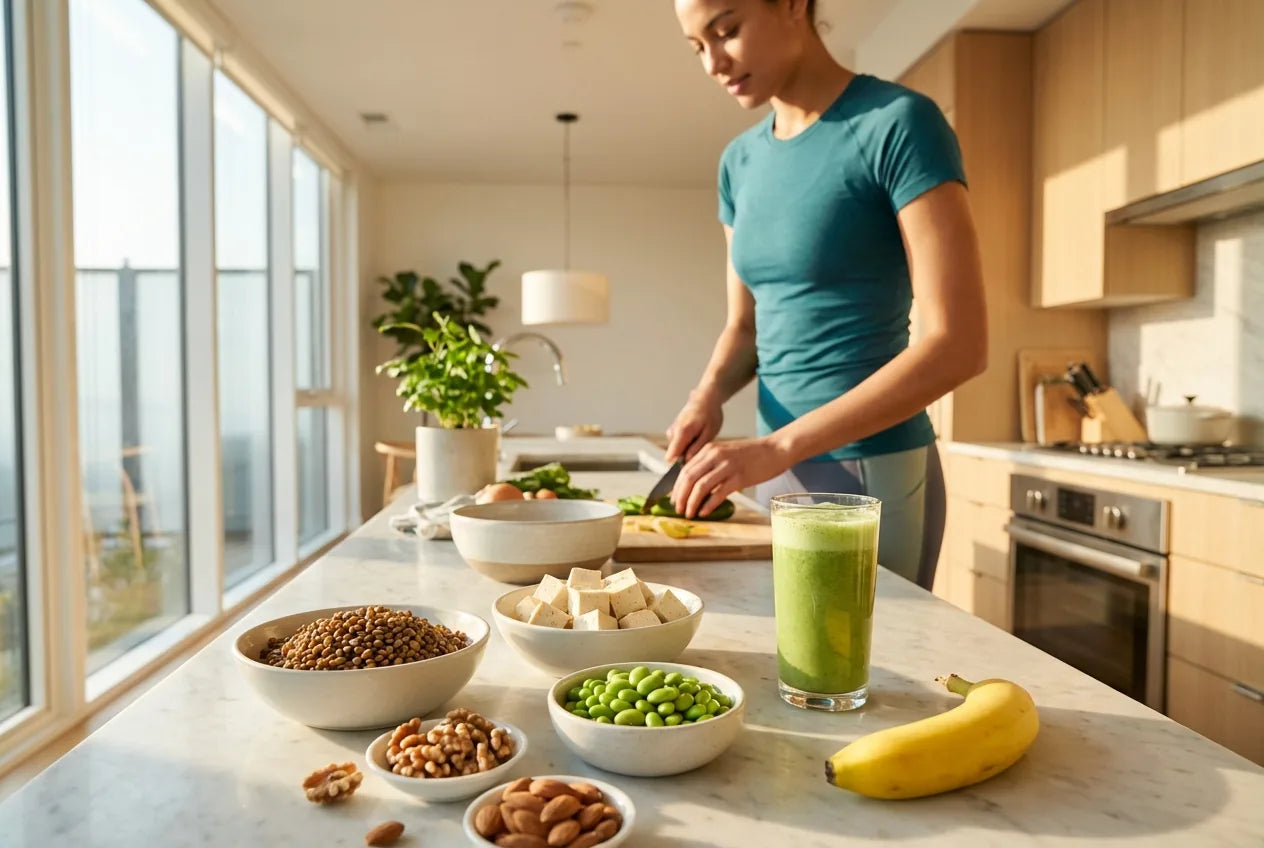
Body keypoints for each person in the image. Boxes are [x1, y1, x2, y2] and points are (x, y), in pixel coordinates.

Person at [666, 0, 987, 588]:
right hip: (774, 468)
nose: (713, 61)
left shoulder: (898, 123)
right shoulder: (738, 163)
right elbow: (747, 324)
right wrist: (706, 395)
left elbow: (958, 344)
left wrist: (780, 446)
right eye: (697, 46)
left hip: (873, 467)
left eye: (727, 30)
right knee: (788, 670)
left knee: (872, 672)